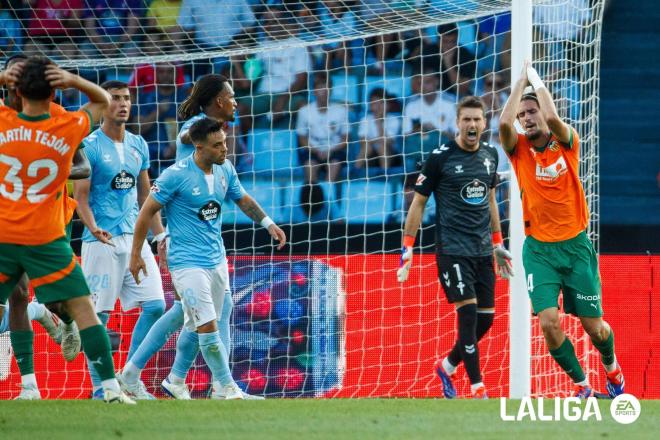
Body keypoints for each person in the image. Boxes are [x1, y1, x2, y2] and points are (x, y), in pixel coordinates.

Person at [0, 55, 133, 403]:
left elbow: (83, 163)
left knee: (57, 306)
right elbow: (102, 101)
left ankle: (59, 341)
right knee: (80, 306)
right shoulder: (67, 126)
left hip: (4, 234)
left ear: (15, 88)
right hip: (45, 237)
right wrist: (72, 79)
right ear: (55, 88)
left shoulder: (3, 122)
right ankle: (110, 389)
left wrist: (4, 76)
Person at [128, 118, 286, 400]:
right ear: (198, 147)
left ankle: (160, 377)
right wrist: (140, 251)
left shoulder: (225, 168)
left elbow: (243, 199)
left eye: (224, 142)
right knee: (207, 324)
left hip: (216, 259)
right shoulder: (175, 175)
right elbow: (146, 211)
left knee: (192, 322)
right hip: (187, 263)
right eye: (218, 145)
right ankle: (226, 387)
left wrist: (267, 222)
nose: (225, 148)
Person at [118, 76, 252, 400]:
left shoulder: (213, 136)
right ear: (219, 100)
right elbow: (181, 148)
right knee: (197, 312)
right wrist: (163, 236)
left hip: (201, 242)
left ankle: (168, 378)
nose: (236, 101)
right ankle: (211, 383)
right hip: (185, 241)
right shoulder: (195, 130)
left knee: (189, 312)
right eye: (231, 96)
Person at [498, 61, 625, 398]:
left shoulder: (566, 142)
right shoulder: (519, 151)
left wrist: (534, 79)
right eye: (523, 113)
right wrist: (519, 83)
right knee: (549, 323)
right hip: (539, 251)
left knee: (594, 329)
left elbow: (554, 119)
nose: (526, 118)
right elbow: (502, 123)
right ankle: (583, 387)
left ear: (544, 112)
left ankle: (612, 368)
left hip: (576, 247)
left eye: (531, 111)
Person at [397, 96, 513, 399]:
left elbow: (490, 201)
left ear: (485, 123)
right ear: (457, 122)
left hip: (482, 250)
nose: (472, 125)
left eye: (477, 119)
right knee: (469, 314)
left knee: (486, 318)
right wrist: (407, 246)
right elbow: (419, 202)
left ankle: (447, 365)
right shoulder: (440, 157)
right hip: (452, 250)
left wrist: (499, 243)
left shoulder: (490, 155)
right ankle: (477, 387)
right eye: (467, 120)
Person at [73, 80, 167, 400]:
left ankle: (128, 376)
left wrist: (161, 236)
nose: (123, 104)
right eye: (115, 99)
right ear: (103, 105)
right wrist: (93, 226)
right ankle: (101, 386)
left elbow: (147, 197)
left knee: (156, 305)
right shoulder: (88, 146)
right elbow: (80, 198)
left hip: (134, 240)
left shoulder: (139, 144)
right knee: (97, 316)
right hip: (100, 241)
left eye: (126, 98)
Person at [296, 72, 349, 185]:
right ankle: (312, 196)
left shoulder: (341, 110)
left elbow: (346, 139)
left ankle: (328, 195)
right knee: (310, 166)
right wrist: (317, 150)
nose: (324, 92)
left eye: (327, 88)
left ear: (331, 90)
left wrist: (330, 150)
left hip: (334, 150)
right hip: (313, 150)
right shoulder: (304, 111)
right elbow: (302, 139)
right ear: (314, 91)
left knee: (335, 163)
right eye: (320, 88)